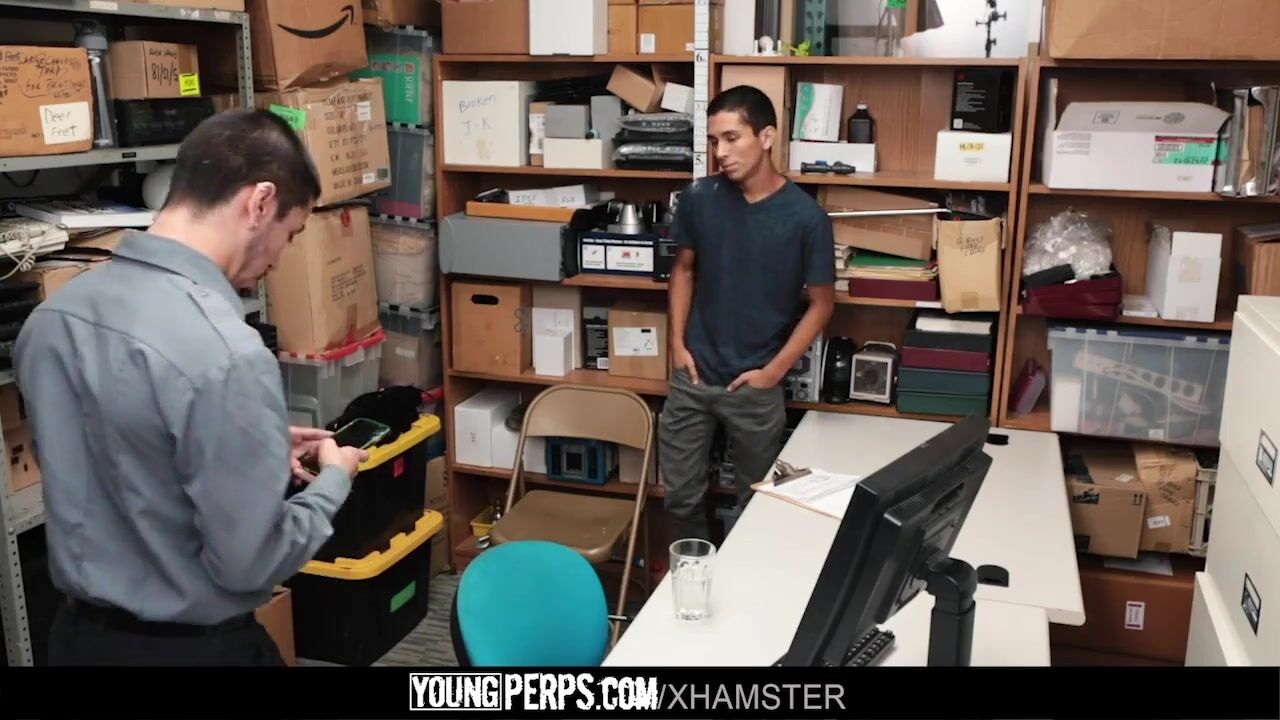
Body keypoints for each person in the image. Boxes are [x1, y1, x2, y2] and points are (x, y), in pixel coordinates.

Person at [13, 109, 368, 666]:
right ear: (260, 203)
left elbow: (113, 456)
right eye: (291, 233)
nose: (280, 258)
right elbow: (251, 563)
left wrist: (250, 447)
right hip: (192, 652)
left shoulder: (53, 318)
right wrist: (334, 483)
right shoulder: (228, 353)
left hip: (75, 642)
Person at [660, 86, 836, 542]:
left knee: (756, 505)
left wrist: (773, 372)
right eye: (713, 141)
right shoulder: (698, 198)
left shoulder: (807, 218)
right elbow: (683, 270)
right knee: (680, 498)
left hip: (756, 385)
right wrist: (677, 345)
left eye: (732, 138)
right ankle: (692, 576)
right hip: (693, 376)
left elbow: (822, 304)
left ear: (767, 137)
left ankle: (744, 582)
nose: (720, 152)